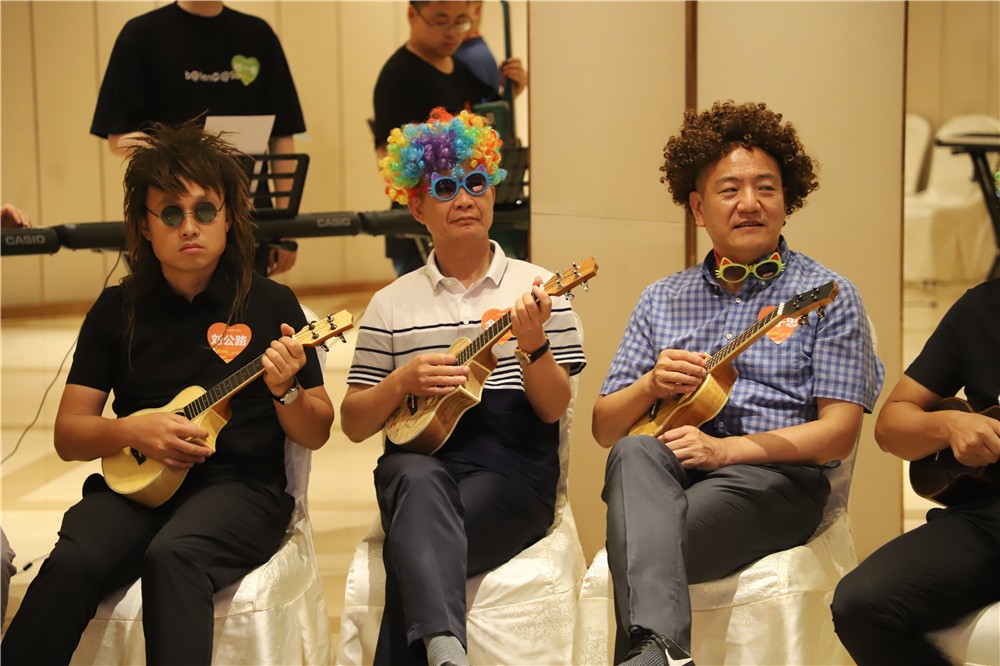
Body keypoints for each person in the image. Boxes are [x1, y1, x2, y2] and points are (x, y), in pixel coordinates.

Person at [0, 122, 334, 665]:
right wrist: (133, 430)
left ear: (229, 218)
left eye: (205, 211)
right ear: (145, 225)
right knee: (72, 563)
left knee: (173, 556)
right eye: (171, 214)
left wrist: (286, 391)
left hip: (241, 489)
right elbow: (69, 434)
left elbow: (317, 429)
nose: (190, 227)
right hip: (134, 487)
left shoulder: (272, 304)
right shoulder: (117, 309)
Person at [592, 101, 884, 665]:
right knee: (632, 452)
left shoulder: (828, 295)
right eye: (729, 190)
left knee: (640, 541)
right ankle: (661, 655)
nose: (750, 203)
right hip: (672, 475)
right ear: (698, 208)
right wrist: (651, 385)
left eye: (765, 188)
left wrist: (725, 451)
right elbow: (606, 429)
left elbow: (839, 433)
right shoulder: (662, 298)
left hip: (776, 481)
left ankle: (652, 653)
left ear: (787, 200)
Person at [341, 108, 585, 666]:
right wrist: (401, 381)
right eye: (445, 188)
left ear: (493, 192)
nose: (465, 199)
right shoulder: (390, 304)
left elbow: (553, 409)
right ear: (416, 207)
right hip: (416, 466)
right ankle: (446, 651)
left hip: (512, 473)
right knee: (414, 480)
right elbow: (354, 423)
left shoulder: (540, 287)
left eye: (476, 182)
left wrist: (533, 345)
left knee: (415, 550)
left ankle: (442, 649)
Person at [832, 279, 1000, 665]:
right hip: (987, 517)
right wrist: (950, 426)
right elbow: (890, 427)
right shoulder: (982, 307)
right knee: (861, 603)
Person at [90, 0, 305, 277]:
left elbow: (282, 134)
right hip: (172, 216)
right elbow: (118, 137)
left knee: (249, 301)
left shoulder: (258, 34)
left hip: (248, 214)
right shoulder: (142, 34)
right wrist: (181, 159)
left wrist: (286, 228)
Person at [372, 0, 527, 277]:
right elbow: (388, 156)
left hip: (459, 227)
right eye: (440, 21)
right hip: (420, 230)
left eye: (460, 22)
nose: (451, 32)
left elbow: (483, 125)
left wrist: (511, 91)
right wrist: (432, 201)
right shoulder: (399, 75)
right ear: (413, 14)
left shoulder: (462, 69)